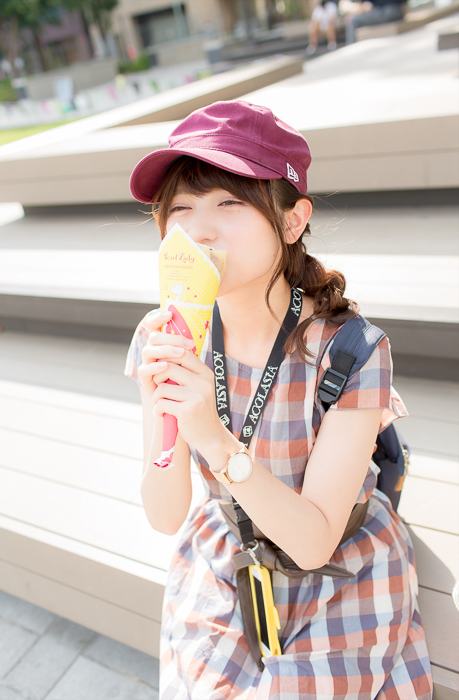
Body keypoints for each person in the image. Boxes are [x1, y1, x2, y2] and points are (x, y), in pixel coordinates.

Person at [124, 99, 433, 699]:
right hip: (230, 553)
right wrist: (163, 401)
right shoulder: (163, 337)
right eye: (180, 208)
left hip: (341, 566)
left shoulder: (350, 350)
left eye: (228, 203)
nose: (199, 229)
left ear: (292, 222)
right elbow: (165, 515)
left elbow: (314, 542)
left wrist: (210, 435)